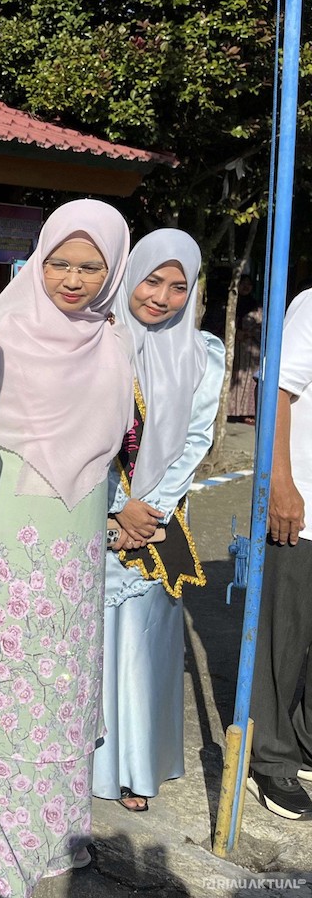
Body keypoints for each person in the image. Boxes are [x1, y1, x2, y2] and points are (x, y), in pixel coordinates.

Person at [0, 199, 133, 895]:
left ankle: (48, 838)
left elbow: (118, 445)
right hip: (1, 524)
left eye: (91, 266)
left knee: (60, 683)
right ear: (37, 259)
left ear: (113, 271)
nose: (72, 279)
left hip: (77, 539)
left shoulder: (115, 340)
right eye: (59, 262)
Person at [92, 229, 225, 813]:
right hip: (96, 514)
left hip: (156, 522)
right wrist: (116, 507)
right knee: (91, 642)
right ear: (130, 276)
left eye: (179, 286)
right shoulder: (98, 339)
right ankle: (83, 756)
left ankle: (133, 766)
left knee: (143, 643)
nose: (163, 297)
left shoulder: (201, 353)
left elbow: (196, 438)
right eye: (152, 280)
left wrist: (152, 508)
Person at [247, 284, 312, 820]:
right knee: (282, 642)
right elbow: (278, 392)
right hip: (304, 507)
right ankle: (268, 761)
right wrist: (280, 484)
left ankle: (305, 742)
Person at [226, 273, 261, 423]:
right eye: (243, 283)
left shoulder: (256, 306)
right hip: (231, 348)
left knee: (248, 380)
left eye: (249, 284)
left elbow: (263, 326)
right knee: (231, 377)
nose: (246, 287)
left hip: (250, 351)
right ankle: (229, 411)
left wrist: (248, 333)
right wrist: (233, 333)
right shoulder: (228, 305)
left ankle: (247, 412)